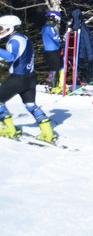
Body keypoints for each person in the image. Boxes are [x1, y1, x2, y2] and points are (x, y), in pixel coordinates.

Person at [0, 14, 57, 143]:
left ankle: (9, 128)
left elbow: (10, 57)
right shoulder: (24, 38)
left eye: (1, 28)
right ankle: (47, 132)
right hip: (30, 78)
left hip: (18, 79)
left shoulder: (14, 40)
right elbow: (21, 56)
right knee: (31, 105)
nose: (0, 31)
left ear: (10, 27)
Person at [41, 10, 64, 89]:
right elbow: (55, 38)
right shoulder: (49, 27)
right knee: (54, 68)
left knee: (55, 67)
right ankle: (51, 85)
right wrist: (61, 40)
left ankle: (54, 84)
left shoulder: (47, 27)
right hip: (52, 51)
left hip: (52, 50)